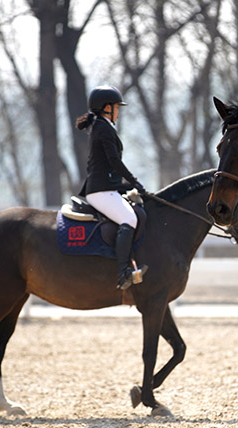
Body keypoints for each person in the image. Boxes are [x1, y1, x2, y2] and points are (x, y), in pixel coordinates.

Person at [76, 85, 148, 290]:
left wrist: (127, 186)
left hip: (106, 186)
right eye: (117, 107)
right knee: (129, 218)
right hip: (100, 191)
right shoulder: (103, 128)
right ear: (107, 107)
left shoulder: (103, 126)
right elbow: (114, 161)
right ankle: (123, 273)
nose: (118, 111)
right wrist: (134, 182)